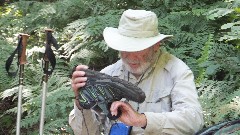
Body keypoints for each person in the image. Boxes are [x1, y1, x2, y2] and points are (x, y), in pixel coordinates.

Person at [69, 9, 204, 135]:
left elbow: (194, 120)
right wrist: (81, 102)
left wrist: (142, 120)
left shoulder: (176, 71)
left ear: (156, 45)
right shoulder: (109, 75)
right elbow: (86, 133)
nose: (131, 57)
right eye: (125, 47)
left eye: (138, 49)